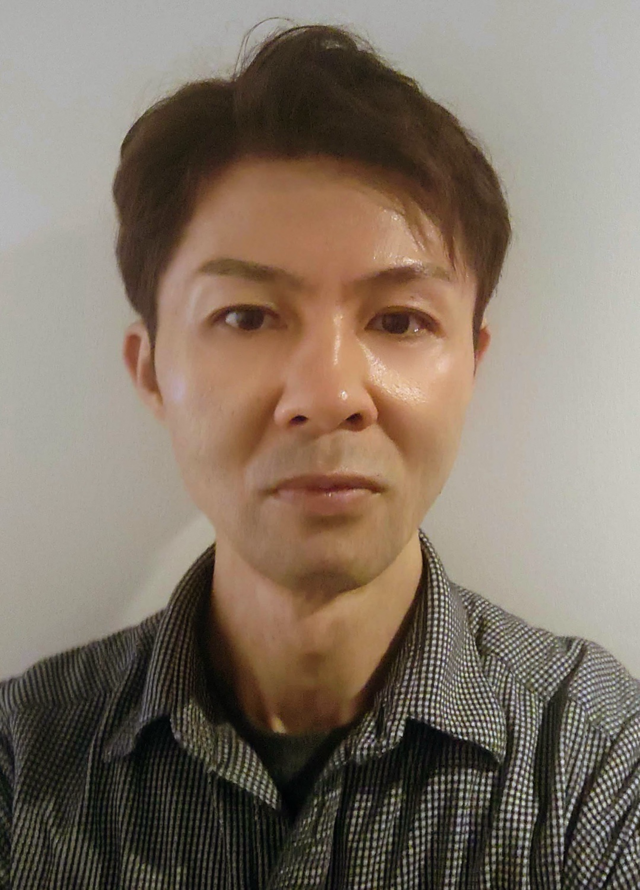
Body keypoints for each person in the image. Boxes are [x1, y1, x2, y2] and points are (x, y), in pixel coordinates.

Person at [1, 21, 639, 889]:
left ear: (472, 365)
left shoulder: (598, 765)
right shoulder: (24, 763)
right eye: (247, 316)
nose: (330, 393)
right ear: (150, 373)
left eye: (400, 321)